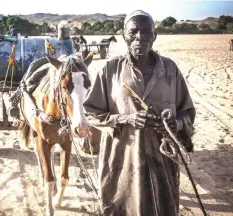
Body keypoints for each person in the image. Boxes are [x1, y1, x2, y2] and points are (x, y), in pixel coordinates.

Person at [83, 10, 196, 216]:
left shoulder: (170, 69)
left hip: (162, 161)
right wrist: (125, 118)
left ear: (154, 35)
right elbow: (91, 112)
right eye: (133, 32)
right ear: (124, 35)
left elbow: (187, 112)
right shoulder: (110, 70)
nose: (139, 37)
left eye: (146, 32)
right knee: (121, 207)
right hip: (122, 162)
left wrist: (176, 124)